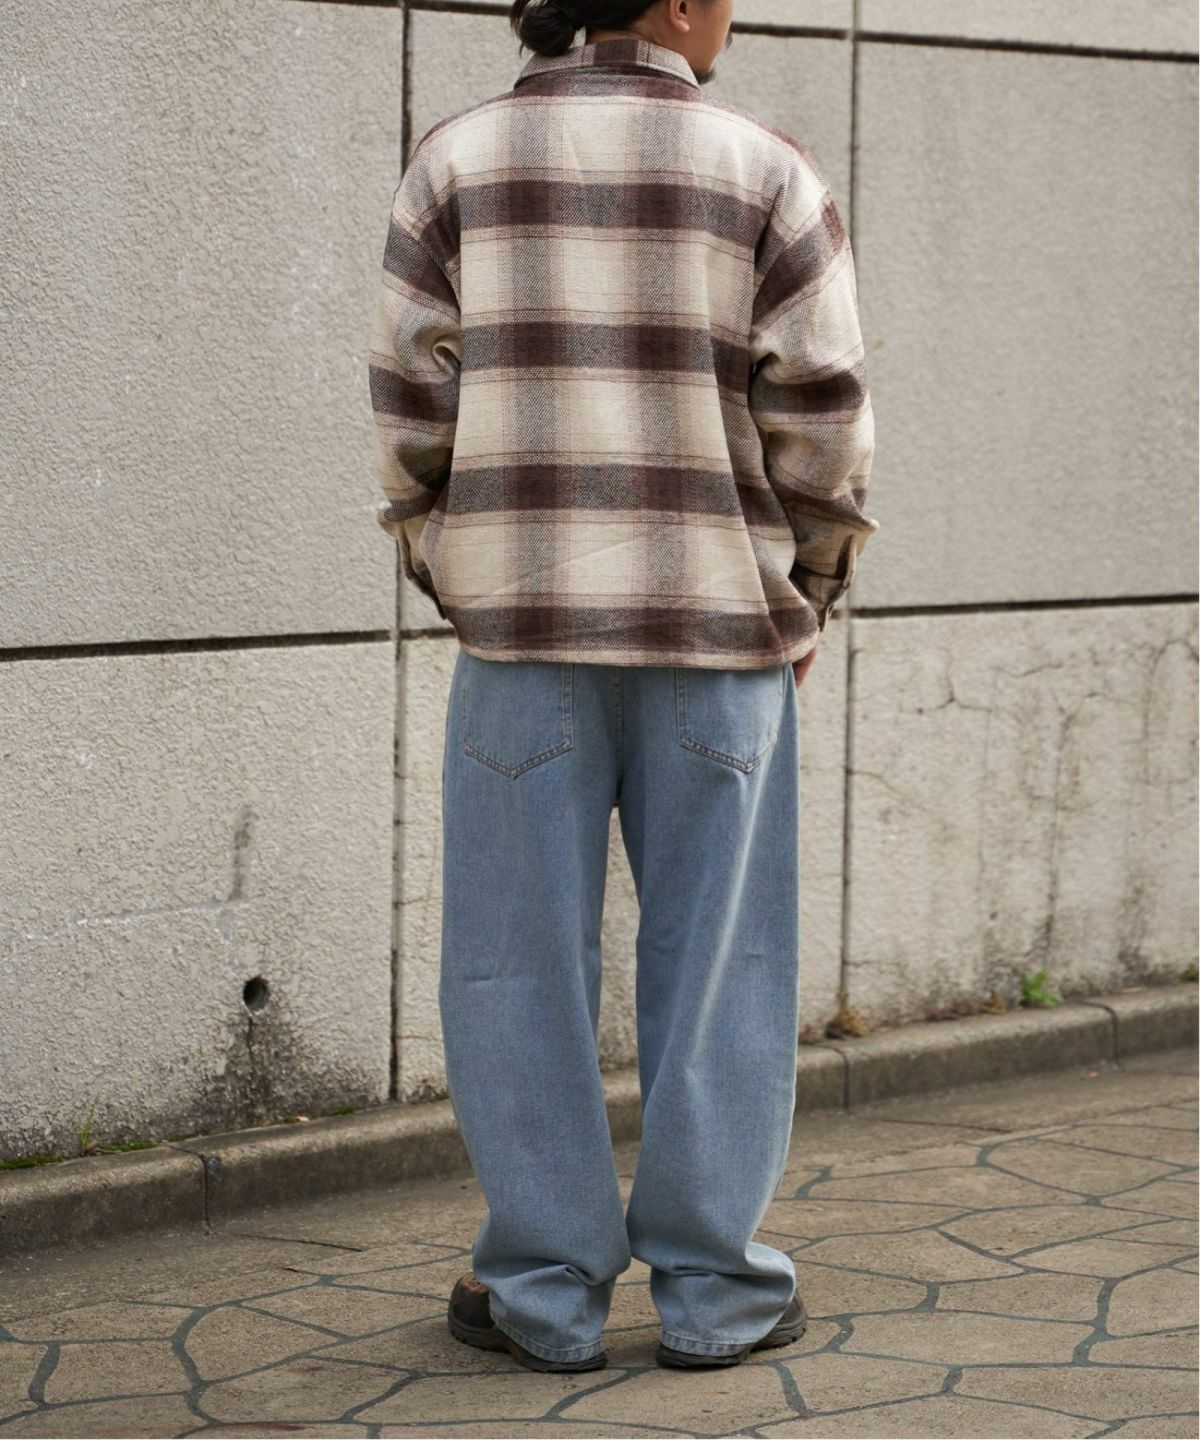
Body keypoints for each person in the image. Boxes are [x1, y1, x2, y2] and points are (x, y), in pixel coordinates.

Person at [368, 0, 877, 1375]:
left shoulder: (459, 160)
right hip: (719, 638)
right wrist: (807, 589)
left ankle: (542, 1295)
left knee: (513, 967)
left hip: (521, 643)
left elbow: (411, 407)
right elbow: (823, 417)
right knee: (725, 967)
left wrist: (455, 569)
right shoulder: (764, 168)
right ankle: (715, 1293)